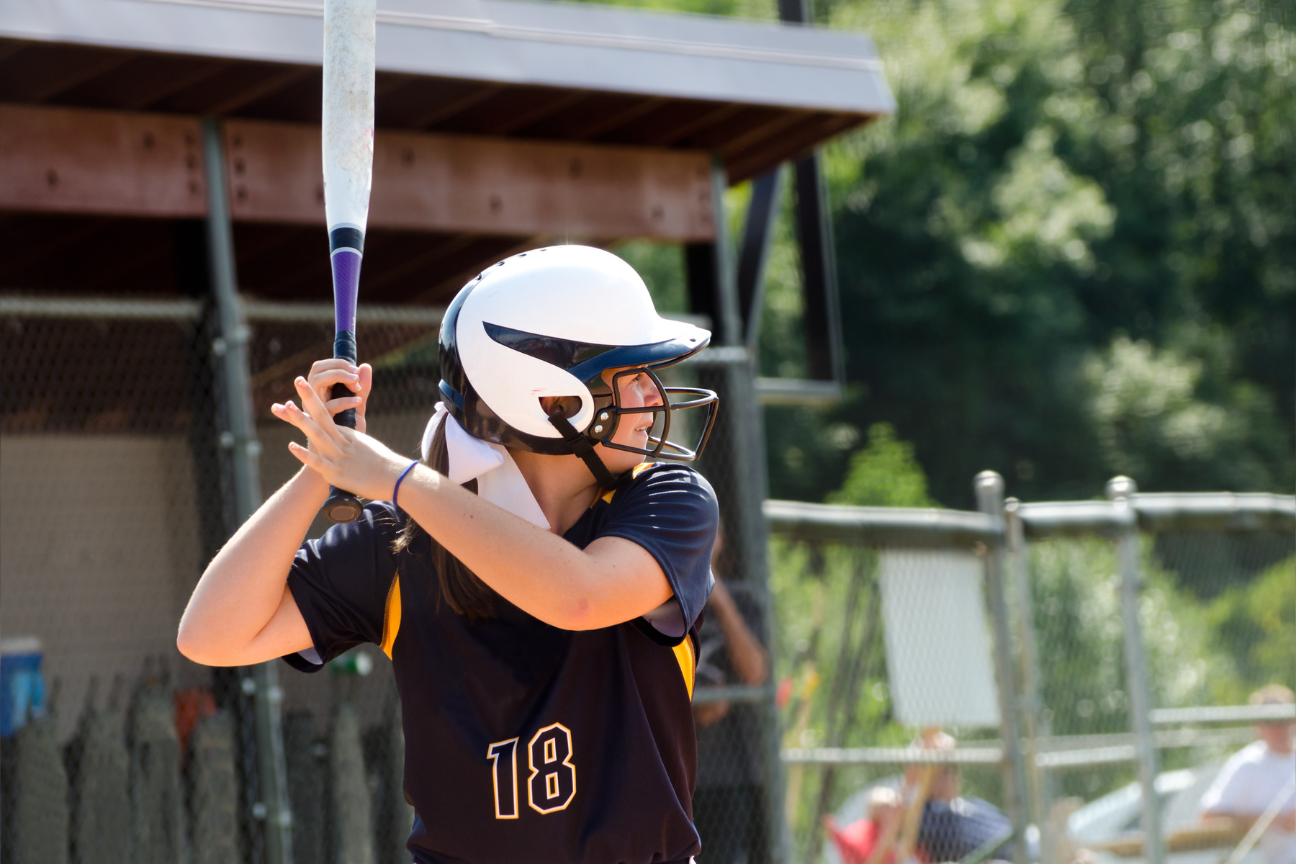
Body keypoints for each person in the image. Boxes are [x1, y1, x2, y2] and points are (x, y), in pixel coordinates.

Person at [177, 246, 722, 864]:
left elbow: (580, 594)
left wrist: (398, 477)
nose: (655, 399)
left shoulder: (667, 500)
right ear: (551, 401)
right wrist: (324, 463)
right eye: (635, 376)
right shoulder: (403, 540)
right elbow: (211, 635)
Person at [693, 526, 770, 864]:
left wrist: (720, 601)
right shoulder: (659, 597)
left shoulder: (742, 598)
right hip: (676, 770)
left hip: (731, 776)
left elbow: (755, 674)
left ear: (722, 538)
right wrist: (694, 703)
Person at [1199, 684, 1296, 864]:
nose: (1278, 727)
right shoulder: (1248, 765)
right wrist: (1273, 821)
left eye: (1283, 718)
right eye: (1270, 721)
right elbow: (1209, 816)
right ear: (1258, 725)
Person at [824, 786, 905, 864]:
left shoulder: (895, 830)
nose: (892, 813)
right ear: (875, 810)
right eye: (886, 808)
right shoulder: (863, 832)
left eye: (892, 809)